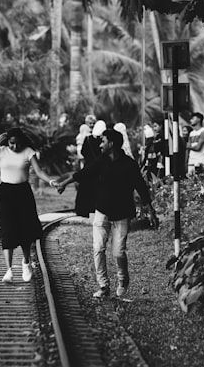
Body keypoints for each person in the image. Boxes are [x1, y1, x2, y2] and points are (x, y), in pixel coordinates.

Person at [54, 128, 157, 299]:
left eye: (103, 141)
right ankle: (103, 286)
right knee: (98, 249)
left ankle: (123, 279)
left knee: (118, 252)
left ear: (112, 143)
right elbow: (84, 173)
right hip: (102, 211)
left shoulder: (129, 164)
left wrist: (150, 210)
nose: (100, 144)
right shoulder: (100, 161)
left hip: (122, 213)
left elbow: (141, 186)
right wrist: (65, 183)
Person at [0, 128, 59, 283]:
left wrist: (51, 181)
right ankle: (9, 270)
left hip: (23, 193)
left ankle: (26, 263)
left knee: (25, 230)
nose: (15, 147)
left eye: (18, 143)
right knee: (7, 229)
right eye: (12, 143)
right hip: (5, 193)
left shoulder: (28, 152)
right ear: (7, 141)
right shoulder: (1, 151)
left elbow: (39, 171)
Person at [74, 131, 102, 217]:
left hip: (88, 165)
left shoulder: (88, 139)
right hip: (99, 168)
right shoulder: (102, 140)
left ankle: (82, 210)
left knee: (85, 190)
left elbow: (83, 152)